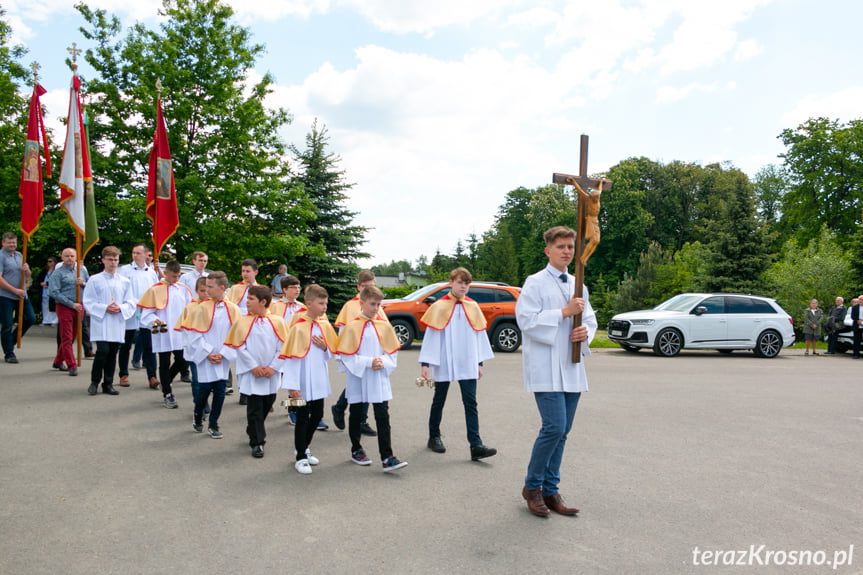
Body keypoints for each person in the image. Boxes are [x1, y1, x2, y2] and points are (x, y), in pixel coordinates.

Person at [515, 225, 597, 517]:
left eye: (570, 247)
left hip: (571, 367)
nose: (566, 251)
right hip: (546, 367)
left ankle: (551, 490)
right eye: (560, 246)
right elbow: (525, 320)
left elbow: (589, 318)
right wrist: (563, 313)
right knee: (554, 428)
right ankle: (532, 487)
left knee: (563, 432)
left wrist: (584, 332)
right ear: (548, 250)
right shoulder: (534, 283)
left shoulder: (579, 284)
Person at [419, 267, 496, 461]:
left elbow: (479, 335)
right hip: (444, 360)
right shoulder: (438, 306)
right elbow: (431, 336)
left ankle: (476, 445)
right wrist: (426, 363)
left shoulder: (473, 306)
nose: (463, 286)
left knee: (471, 402)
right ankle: (434, 436)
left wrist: (479, 363)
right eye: (460, 282)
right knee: (440, 399)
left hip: (467, 360)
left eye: (466, 283)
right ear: (451, 282)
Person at [337, 285, 407, 472]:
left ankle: (387, 456)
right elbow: (346, 356)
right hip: (359, 376)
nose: (376, 308)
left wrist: (382, 362)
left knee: (382, 415)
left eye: (378, 305)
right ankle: (356, 449)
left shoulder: (384, 326)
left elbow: (391, 353)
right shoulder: (352, 327)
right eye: (372, 304)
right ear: (362, 303)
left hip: (378, 376)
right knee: (357, 413)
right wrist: (369, 362)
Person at [222, 285, 288, 458]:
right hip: (252, 373)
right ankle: (258, 442)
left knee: (268, 402)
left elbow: (282, 347)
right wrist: (254, 366)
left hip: (270, 372)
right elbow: (240, 347)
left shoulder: (277, 322)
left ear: (263, 302)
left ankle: (253, 428)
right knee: (255, 407)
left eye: (251, 299)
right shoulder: (243, 321)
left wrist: (273, 367)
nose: (247, 301)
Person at [280, 284, 338, 474]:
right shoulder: (298, 328)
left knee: (318, 414)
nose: (324, 307)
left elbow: (332, 353)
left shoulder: (324, 325)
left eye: (326, 303)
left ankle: (304, 447)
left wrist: (324, 348)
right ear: (309, 304)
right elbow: (291, 358)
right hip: (300, 382)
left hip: (318, 380)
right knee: (302, 417)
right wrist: (292, 386)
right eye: (321, 303)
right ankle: (300, 457)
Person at [180, 272, 240, 439]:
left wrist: (223, 353)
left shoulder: (233, 309)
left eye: (210, 286)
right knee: (204, 390)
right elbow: (193, 334)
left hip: (222, 357)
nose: (206, 289)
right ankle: (198, 415)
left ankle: (214, 423)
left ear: (222, 288)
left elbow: (237, 335)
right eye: (205, 286)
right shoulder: (201, 308)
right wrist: (207, 353)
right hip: (205, 356)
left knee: (220, 390)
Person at [331, 270, 386, 436]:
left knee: (367, 386)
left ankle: (360, 419)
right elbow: (343, 331)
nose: (369, 289)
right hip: (355, 353)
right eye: (365, 287)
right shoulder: (350, 306)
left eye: (372, 286)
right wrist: (342, 356)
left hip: (372, 353)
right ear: (358, 286)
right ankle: (344, 410)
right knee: (357, 387)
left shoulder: (376, 305)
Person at [82, 246, 136, 396]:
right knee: (102, 351)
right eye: (110, 259)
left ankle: (108, 383)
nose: (113, 263)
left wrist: (121, 308)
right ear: (103, 260)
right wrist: (105, 308)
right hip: (102, 321)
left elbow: (131, 301)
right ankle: (94, 381)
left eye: (115, 260)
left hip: (117, 321)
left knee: (113, 353)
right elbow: (88, 300)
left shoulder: (124, 281)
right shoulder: (94, 280)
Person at [138, 260, 193, 408]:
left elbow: (190, 309)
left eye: (178, 276)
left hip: (180, 331)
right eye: (173, 276)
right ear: (166, 273)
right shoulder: (155, 290)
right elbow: (146, 314)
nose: (176, 279)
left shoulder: (183, 289)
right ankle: (168, 394)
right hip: (163, 330)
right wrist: (154, 320)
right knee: (164, 362)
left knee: (183, 359)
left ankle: (166, 380)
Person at [118, 243, 160, 388]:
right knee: (126, 345)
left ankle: (152, 376)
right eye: (133, 252)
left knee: (149, 346)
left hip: (146, 313)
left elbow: (156, 291)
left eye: (138, 253)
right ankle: (123, 374)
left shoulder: (151, 272)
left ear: (146, 255)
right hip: (131, 311)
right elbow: (121, 290)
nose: (135, 255)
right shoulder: (125, 270)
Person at [48, 248, 89, 376]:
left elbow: (90, 285)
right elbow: (53, 292)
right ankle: (72, 365)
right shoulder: (57, 273)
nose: (69, 258)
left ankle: (58, 360)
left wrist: (83, 283)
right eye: (67, 256)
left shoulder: (81, 271)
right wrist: (71, 304)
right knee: (66, 337)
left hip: (79, 306)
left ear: (76, 257)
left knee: (74, 336)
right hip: (65, 306)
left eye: (72, 256)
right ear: (62, 258)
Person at [0, 232, 36, 363]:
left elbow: (27, 276)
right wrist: (14, 290)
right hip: (5, 296)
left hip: (22, 294)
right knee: (7, 324)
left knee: (31, 318)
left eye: (14, 242)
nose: (12, 245)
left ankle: (12, 340)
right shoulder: (1, 256)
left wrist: (27, 270)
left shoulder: (20, 255)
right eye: (9, 242)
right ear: (3, 243)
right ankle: (9, 353)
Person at [175, 277, 210, 413]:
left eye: (208, 290)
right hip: (194, 349)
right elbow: (186, 330)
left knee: (206, 380)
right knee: (196, 379)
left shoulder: (214, 306)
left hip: (208, 349)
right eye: (202, 291)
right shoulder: (191, 307)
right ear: (196, 291)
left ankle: (204, 399)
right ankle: (199, 404)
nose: (205, 294)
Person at [40, 256, 58, 325]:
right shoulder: (45, 271)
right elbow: (40, 278)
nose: (49, 263)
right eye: (48, 262)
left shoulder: (56, 271)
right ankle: (45, 320)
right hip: (45, 290)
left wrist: (47, 283)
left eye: (50, 261)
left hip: (52, 291)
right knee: (45, 306)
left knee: (52, 306)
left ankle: (53, 320)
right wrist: (42, 284)